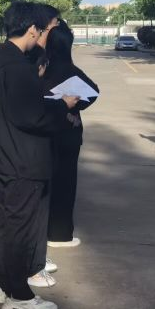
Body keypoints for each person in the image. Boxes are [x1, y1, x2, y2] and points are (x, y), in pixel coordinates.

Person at [0, 2, 79, 309]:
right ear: (32, 29)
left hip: (1, 157)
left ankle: (3, 284)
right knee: (19, 229)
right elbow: (32, 117)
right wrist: (63, 106)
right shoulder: (19, 69)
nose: (42, 36)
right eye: (43, 30)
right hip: (22, 160)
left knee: (4, 226)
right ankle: (19, 294)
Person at [35, 20, 99, 259]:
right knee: (65, 183)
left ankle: (39, 230)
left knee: (44, 183)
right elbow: (94, 91)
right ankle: (59, 234)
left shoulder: (39, 66)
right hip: (67, 134)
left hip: (43, 132)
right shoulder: (71, 70)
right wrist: (74, 108)